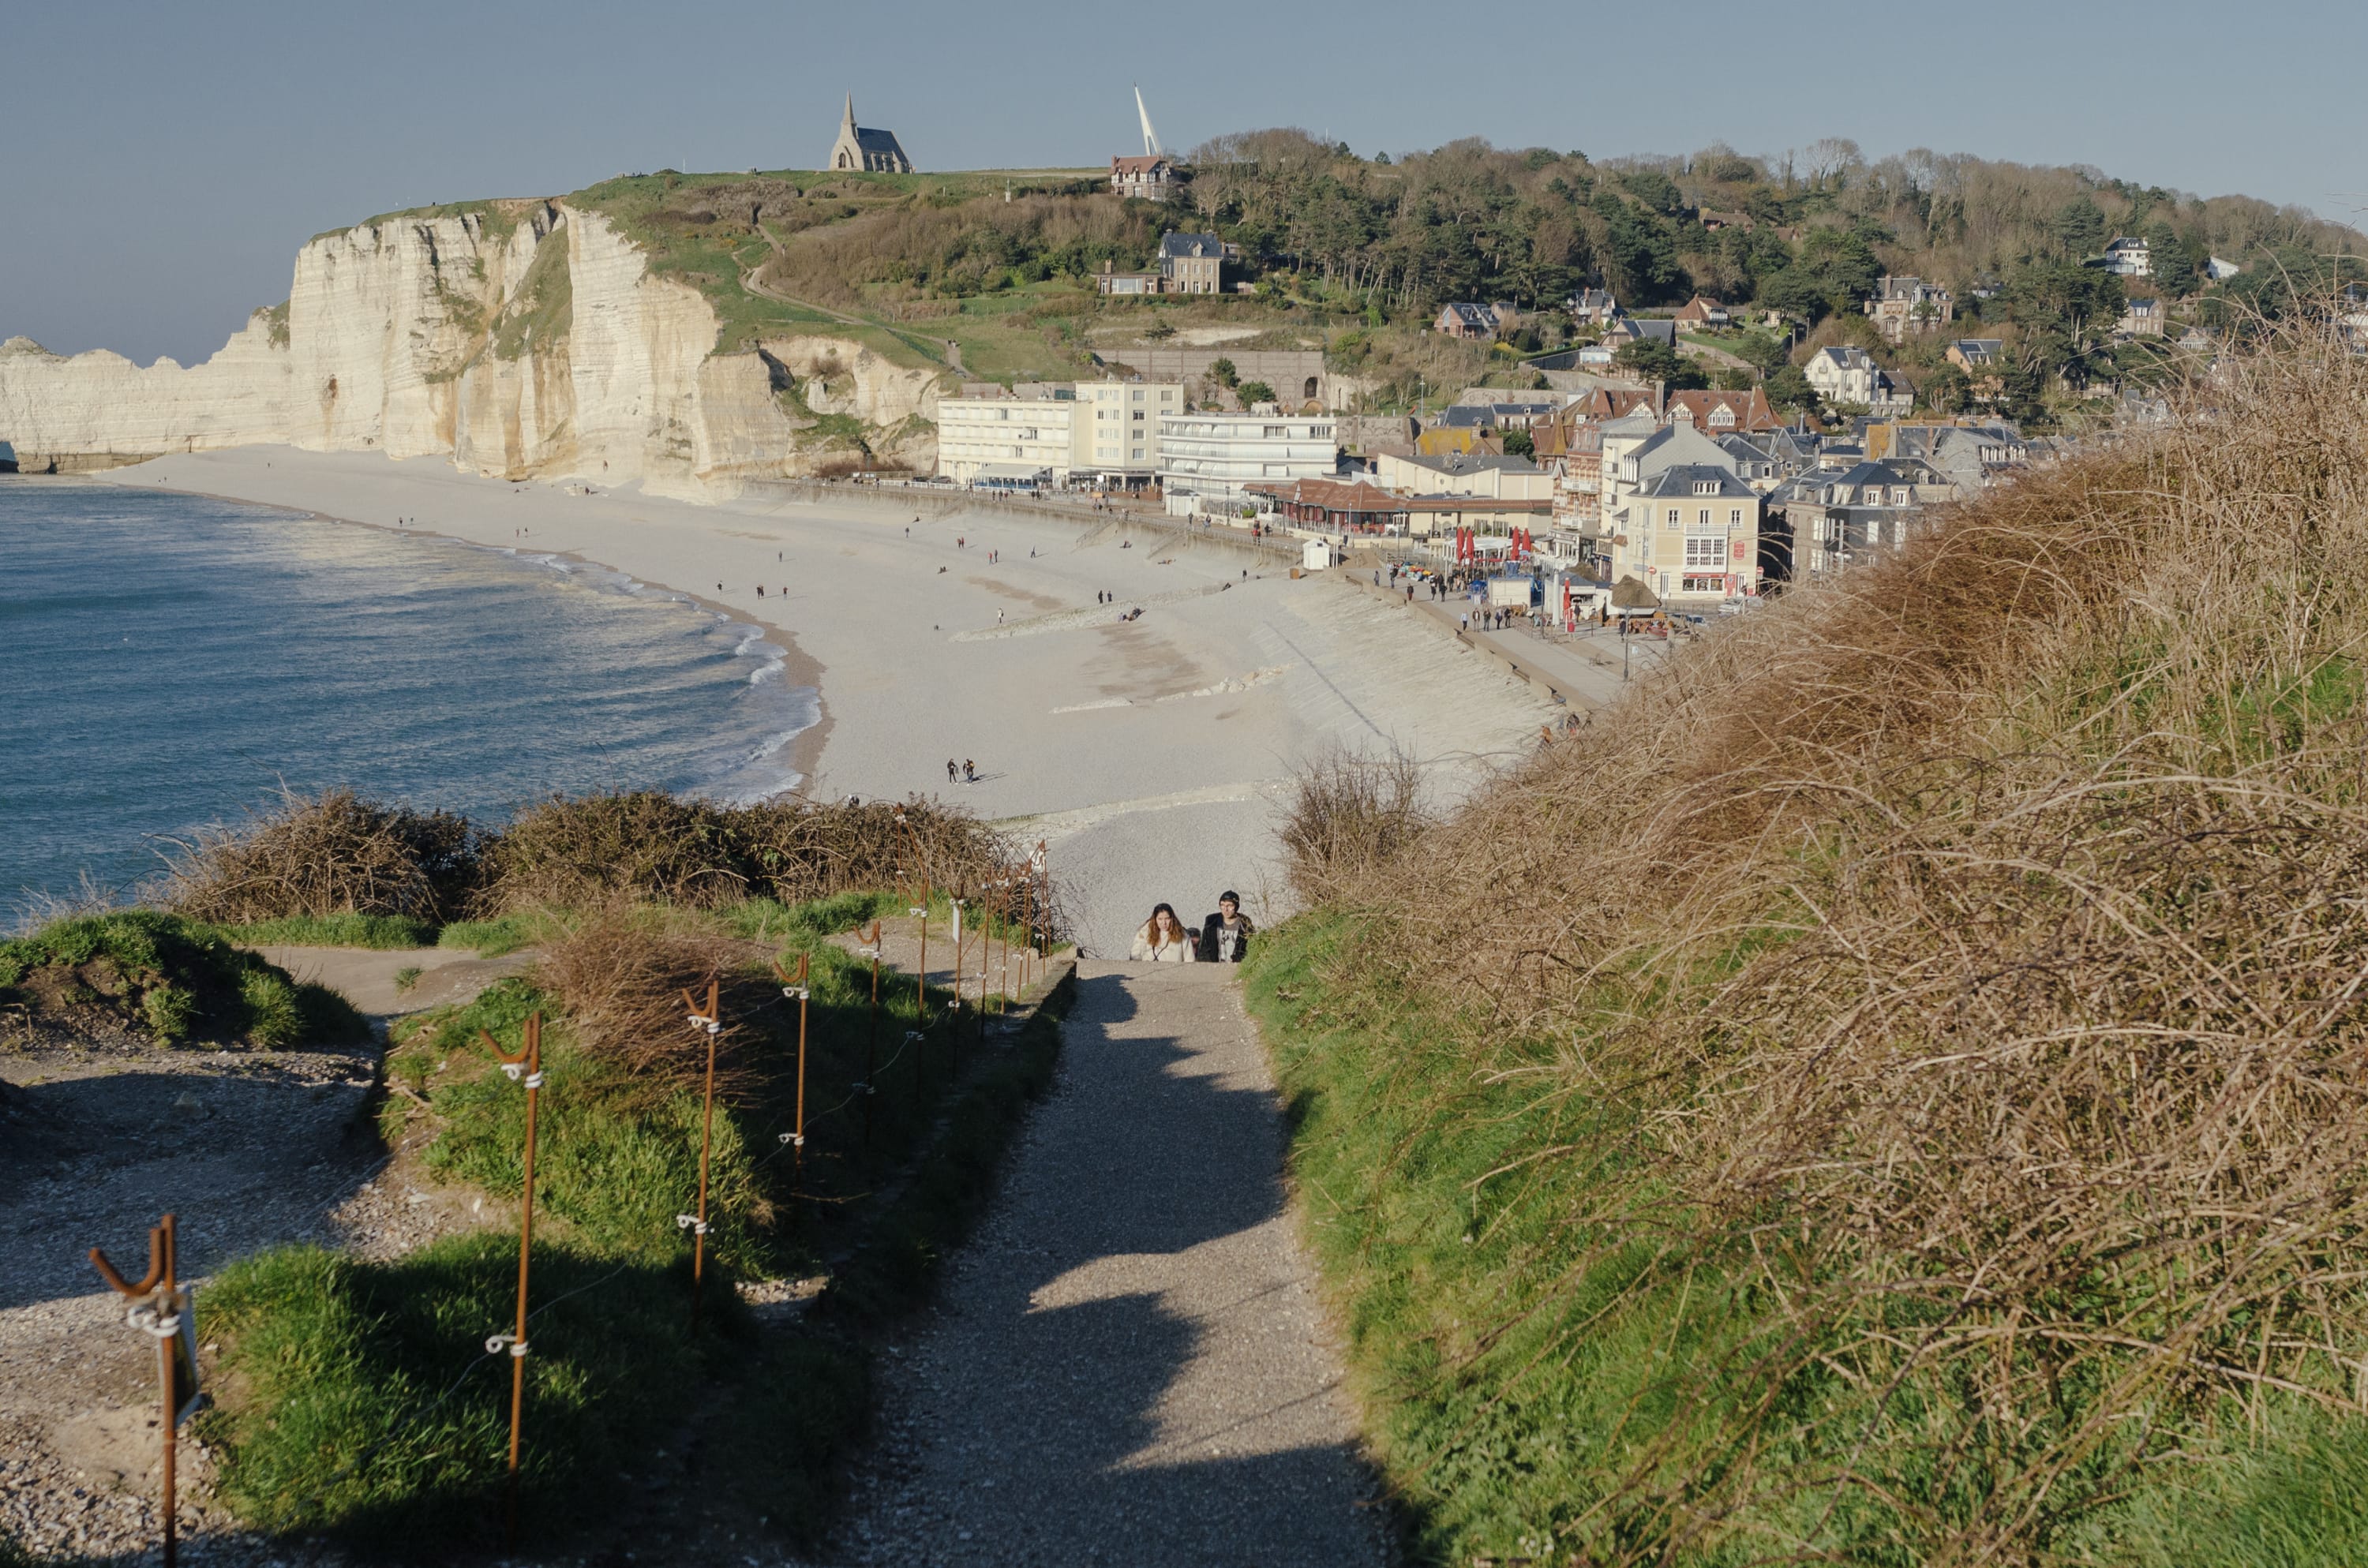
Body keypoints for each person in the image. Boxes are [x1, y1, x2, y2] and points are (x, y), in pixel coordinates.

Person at [1197, 893, 1253, 964]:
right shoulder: (1212, 922)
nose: (1226, 909)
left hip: (1237, 968)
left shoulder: (1245, 923)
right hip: (1214, 968)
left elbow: (1249, 949)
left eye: (1230, 905)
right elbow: (1204, 950)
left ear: (1236, 906)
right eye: (1222, 905)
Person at [1131, 904, 1197, 963]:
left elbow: (1189, 962)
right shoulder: (1144, 934)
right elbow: (1135, 958)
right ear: (1155, 919)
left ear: (1172, 918)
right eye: (1160, 919)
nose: (1164, 923)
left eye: (1167, 918)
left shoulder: (1182, 935)